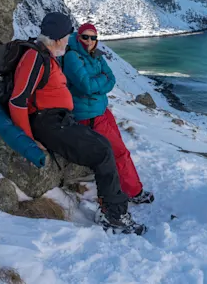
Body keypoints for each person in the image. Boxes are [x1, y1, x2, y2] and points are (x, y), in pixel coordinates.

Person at [9, 12, 146, 235]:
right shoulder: (36, 57)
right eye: (66, 37)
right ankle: (114, 215)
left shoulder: (47, 55)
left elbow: (106, 80)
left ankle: (112, 207)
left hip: (59, 119)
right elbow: (18, 100)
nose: (68, 41)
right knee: (103, 151)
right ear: (56, 38)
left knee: (104, 146)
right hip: (48, 123)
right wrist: (27, 139)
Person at [62, 23, 154, 204]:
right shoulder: (73, 57)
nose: (89, 41)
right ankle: (134, 192)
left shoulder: (94, 54)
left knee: (119, 149)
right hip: (89, 116)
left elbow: (111, 79)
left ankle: (124, 184)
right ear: (78, 37)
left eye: (93, 37)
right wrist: (100, 82)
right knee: (118, 152)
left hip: (101, 110)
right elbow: (87, 86)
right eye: (85, 37)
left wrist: (97, 84)